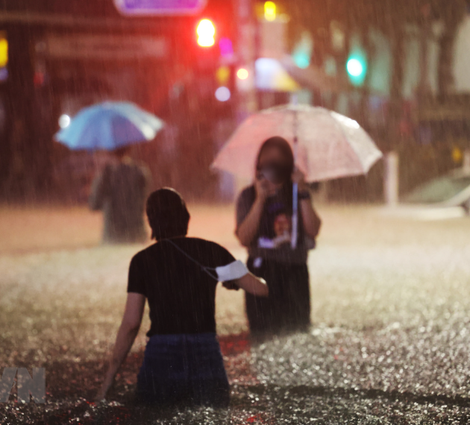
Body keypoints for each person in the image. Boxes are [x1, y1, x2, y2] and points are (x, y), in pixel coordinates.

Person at [96, 188, 268, 406]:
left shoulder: (142, 261)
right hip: (205, 352)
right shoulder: (212, 251)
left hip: (161, 356)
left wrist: (108, 379)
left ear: (151, 222)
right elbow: (260, 289)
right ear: (185, 217)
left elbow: (131, 324)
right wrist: (238, 278)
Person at [235, 137, 322, 337]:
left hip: (294, 272)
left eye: (279, 159)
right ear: (259, 164)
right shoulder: (248, 196)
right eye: (268, 159)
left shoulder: (297, 193)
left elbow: (313, 229)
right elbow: (244, 238)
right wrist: (260, 199)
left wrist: (302, 192)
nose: (273, 164)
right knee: (262, 335)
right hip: (260, 271)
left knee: (297, 333)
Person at [88, 147, 150, 243]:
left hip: (113, 235)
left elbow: (94, 205)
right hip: (137, 233)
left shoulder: (107, 174)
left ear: (109, 152)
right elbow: (144, 201)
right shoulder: (140, 172)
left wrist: (98, 179)